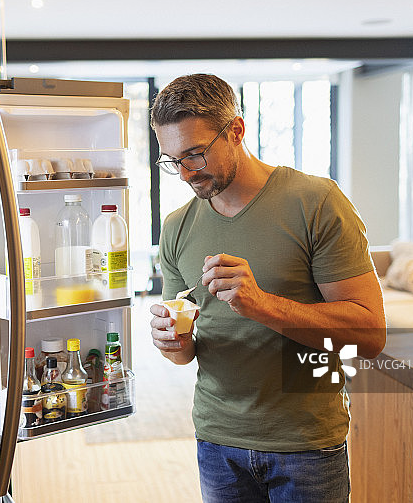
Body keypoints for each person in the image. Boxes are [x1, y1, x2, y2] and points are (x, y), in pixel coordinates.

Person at [149, 74, 386, 503]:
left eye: (195, 155)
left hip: (307, 442)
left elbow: (369, 336)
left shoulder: (316, 201)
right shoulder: (176, 227)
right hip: (217, 439)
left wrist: (260, 305)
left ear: (236, 131)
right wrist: (171, 340)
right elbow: (183, 353)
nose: (185, 174)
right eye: (172, 161)